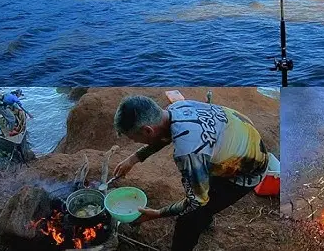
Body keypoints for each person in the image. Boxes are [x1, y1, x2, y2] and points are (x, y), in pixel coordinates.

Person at [112, 95, 270, 251]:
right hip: (240, 141)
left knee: (188, 220)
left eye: (134, 139)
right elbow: (163, 136)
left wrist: (157, 213)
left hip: (247, 171)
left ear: (147, 130)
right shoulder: (177, 108)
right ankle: (205, 219)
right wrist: (134, 158)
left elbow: (197, 201)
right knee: (204, 194)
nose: (134, 142)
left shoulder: (188, 152)